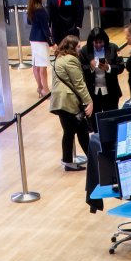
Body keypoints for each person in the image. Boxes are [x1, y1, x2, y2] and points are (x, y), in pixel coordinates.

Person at [49, 35, 92, 171]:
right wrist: (89, 101)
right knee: (75, 131)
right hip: (67, 101)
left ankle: (81, 160)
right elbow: (79, 84)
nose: (80, 49)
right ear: (72, 47)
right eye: (78, 46)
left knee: (76, 131)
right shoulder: (71, 60)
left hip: (60, 101)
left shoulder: (59, 58)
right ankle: (75, 161)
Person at [79, 26, 125, 114]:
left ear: (105, 40)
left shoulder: (114, 48)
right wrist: (91, 67)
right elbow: (80, 69)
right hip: (93, 94)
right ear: (91, 41)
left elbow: (121, 66)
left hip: (111, 92)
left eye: (101, 42)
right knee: (94, 119)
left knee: (111, 118)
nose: (98, 45)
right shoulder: (84, 50)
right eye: (96, 42)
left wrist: (108, 68)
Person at [27, 0, 52, 98]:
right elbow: (46, 29)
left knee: (36, 65)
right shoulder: (40, 10)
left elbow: (29, 22)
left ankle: (40, 87)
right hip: (41, 40)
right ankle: (46, 90)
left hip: (33, 39)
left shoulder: (31, 7)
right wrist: (52, 43)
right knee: (42, 67)